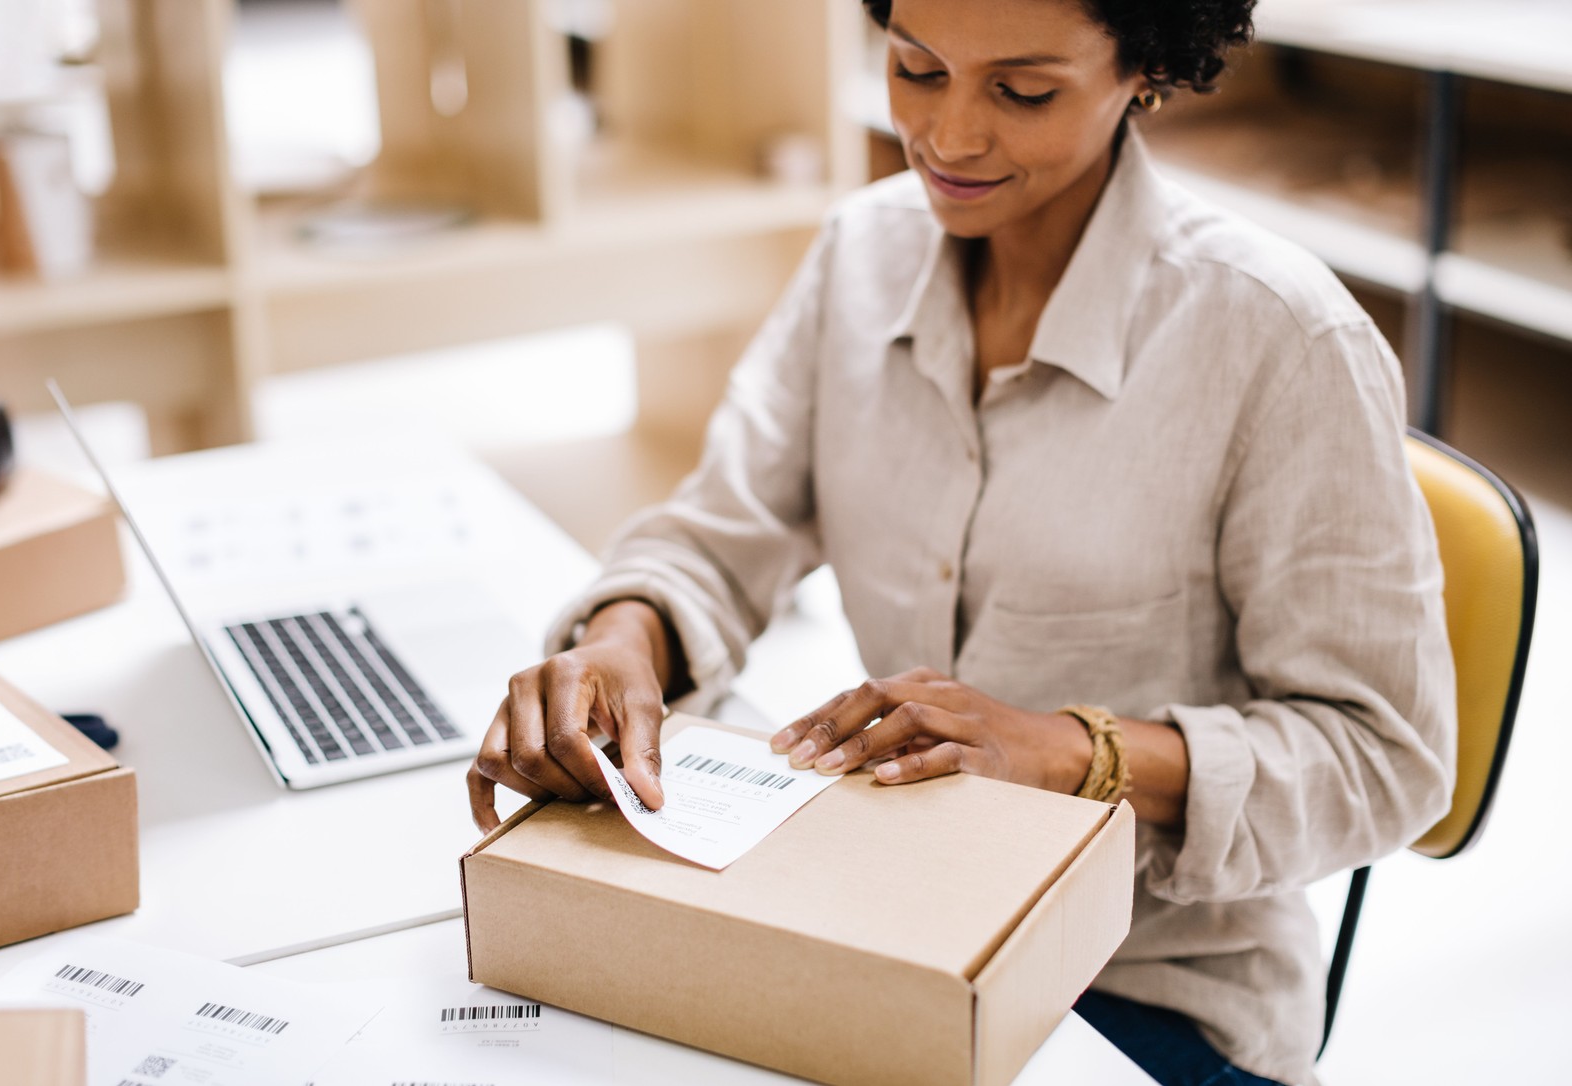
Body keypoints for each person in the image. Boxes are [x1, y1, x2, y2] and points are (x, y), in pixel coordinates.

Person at [465, 0, 1456, 1082]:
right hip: (884, 923)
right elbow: (720, 530)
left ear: (1146, 69)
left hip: (1145, 990)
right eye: (916, 68)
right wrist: (623, 642)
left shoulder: (1278, 339)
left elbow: (1388, 759)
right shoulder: (861, 254)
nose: (949, 136)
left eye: (1023, 91)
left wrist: (1076, 752)